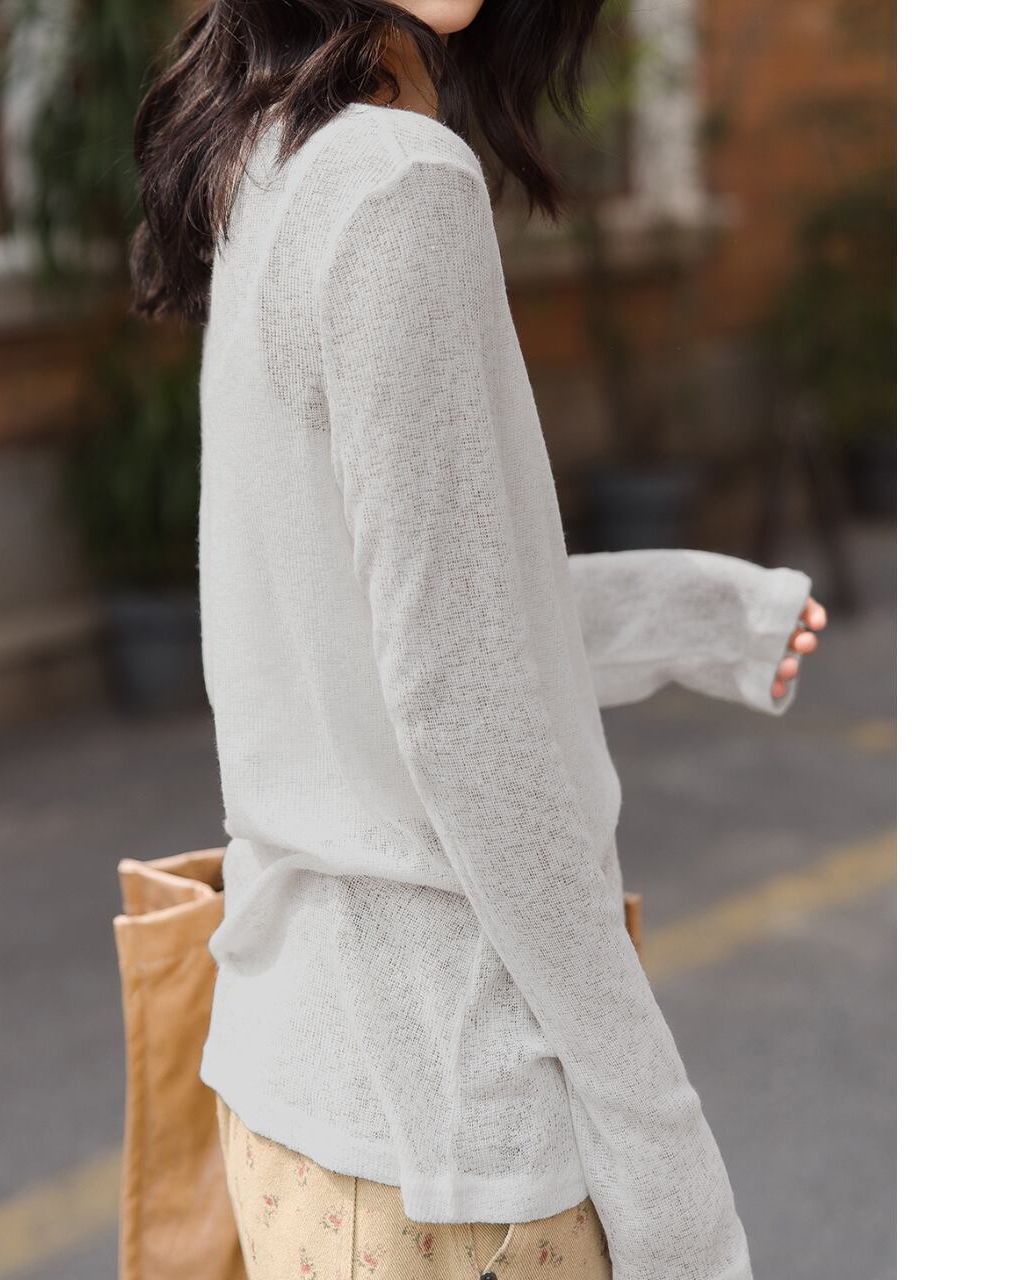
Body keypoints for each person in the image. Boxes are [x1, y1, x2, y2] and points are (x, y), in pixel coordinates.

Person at [131, 3, 827, 1277]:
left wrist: (690, 613)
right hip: (451, 1130)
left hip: (293, 1097)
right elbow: (459, 703)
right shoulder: (397, 181)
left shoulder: (267, 156)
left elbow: (378, 617)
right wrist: (661, 1150)